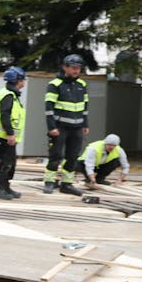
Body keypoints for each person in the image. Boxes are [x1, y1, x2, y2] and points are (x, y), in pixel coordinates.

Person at [42, 54, 89, 196]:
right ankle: (50, 182)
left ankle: (67, 184)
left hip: (77, 127)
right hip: (60, 127)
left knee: (73, 156)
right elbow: (49, 108)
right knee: (55, 155)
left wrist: (85, 124)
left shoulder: (82, 85)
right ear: (65, 67)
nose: (76, 71)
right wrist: (52, 127)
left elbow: (85, 107)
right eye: (74, 68)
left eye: (78, 68)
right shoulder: (55, 85)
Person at [0, 66, 27, 200]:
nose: (24, 82)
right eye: (22, 80)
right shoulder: (8, 95)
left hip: (6, 136)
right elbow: (5, 116)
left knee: (9, 163)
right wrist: (10, 134)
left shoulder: (11, 94)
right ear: (17, 81)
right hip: (3, 136)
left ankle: (5, 186)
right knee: (2, 163)